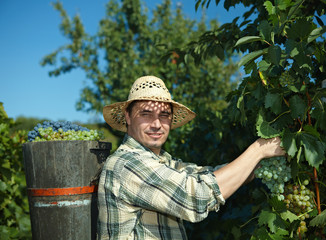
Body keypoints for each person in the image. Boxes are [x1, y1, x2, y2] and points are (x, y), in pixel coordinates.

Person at [97, 75, 285, 239]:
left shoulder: (163, 161)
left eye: (164, 115)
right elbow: (197, 197)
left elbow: (207, 175)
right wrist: (258, 150)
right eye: (146, 114)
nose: (156, 124)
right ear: (128, 117)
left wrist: (257, 167)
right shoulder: (128, 164)